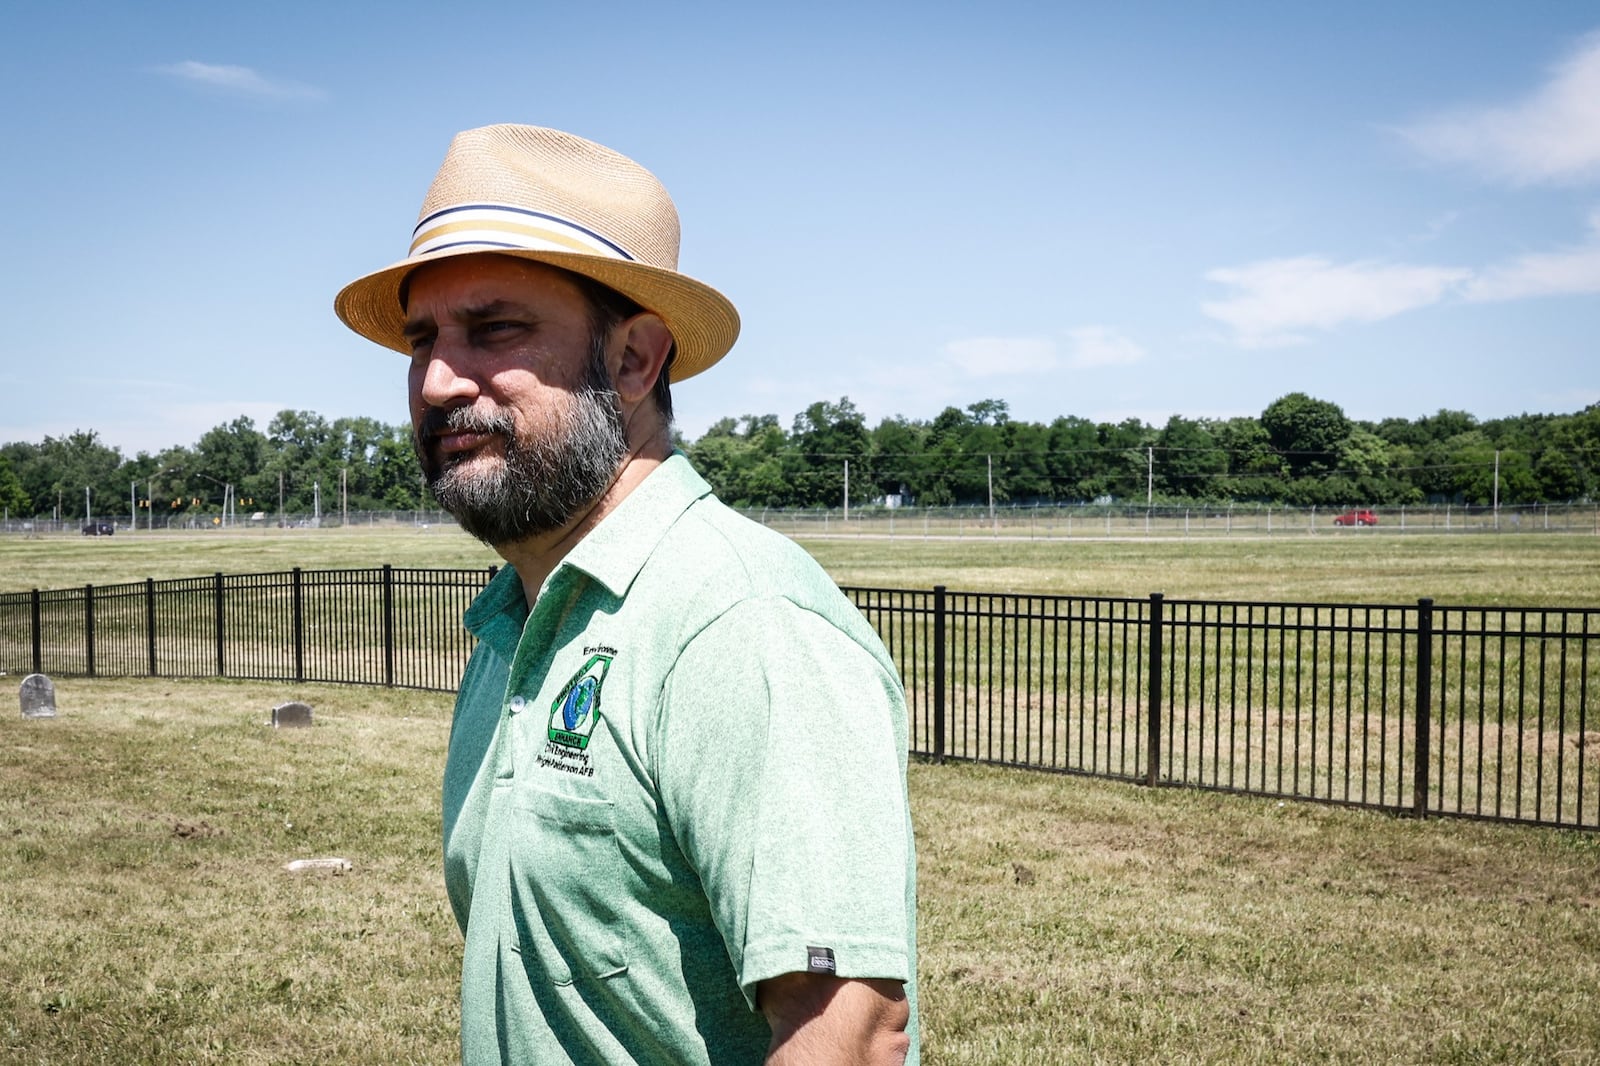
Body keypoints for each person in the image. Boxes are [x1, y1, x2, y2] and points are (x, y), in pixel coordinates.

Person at [335, 125, 919, 1065]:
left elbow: (846, 1030)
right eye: (422, 340)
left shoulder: (738, 622)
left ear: (638, 360)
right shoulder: (516, 621)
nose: (439, 379)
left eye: (495, 329)